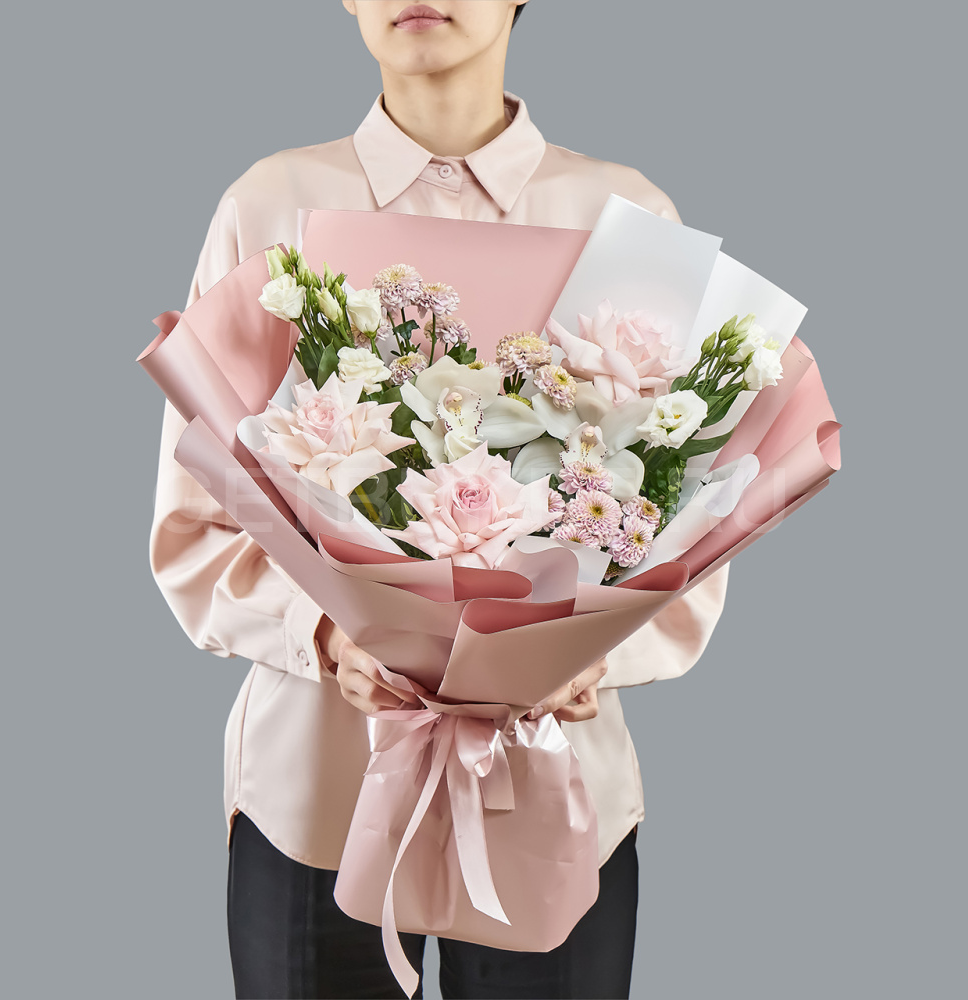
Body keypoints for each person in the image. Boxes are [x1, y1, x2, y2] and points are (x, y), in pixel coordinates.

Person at [148, 2, 729, 997]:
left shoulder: (626, 215)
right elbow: (195, 528)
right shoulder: (269, 206)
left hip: (555, 789)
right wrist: (326, 635)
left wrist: (591, 655)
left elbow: (690, 522)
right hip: (315, 792)